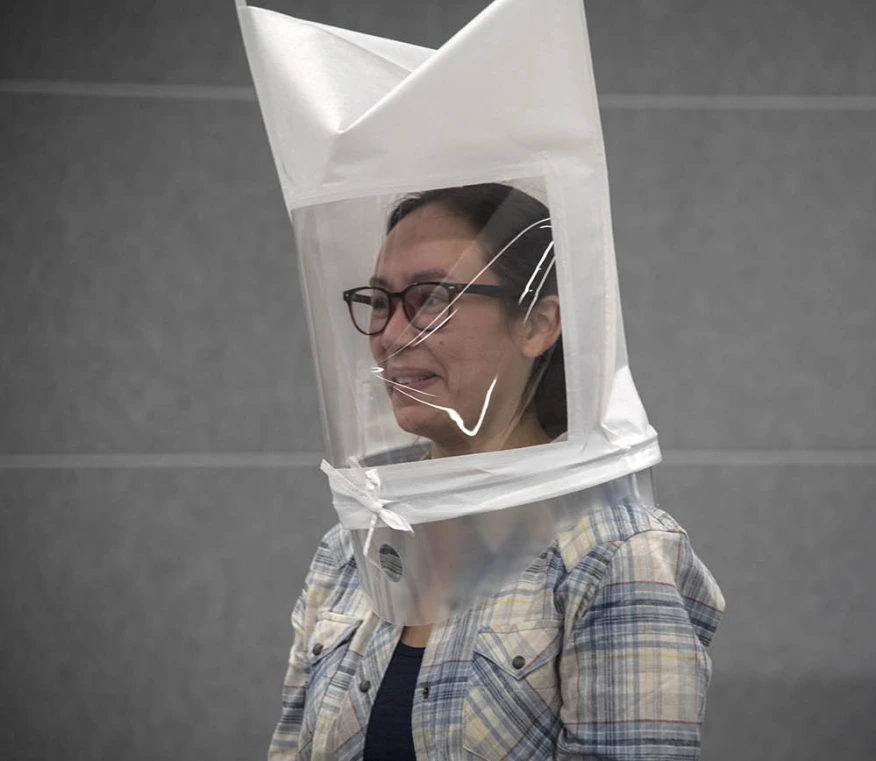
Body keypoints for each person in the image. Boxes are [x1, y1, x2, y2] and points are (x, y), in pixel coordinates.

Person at [269, 184, 725, 760]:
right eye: (380, 302)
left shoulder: (613, 554)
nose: (390, 335)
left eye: (433, 298)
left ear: (537, 323)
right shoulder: (350, 551)